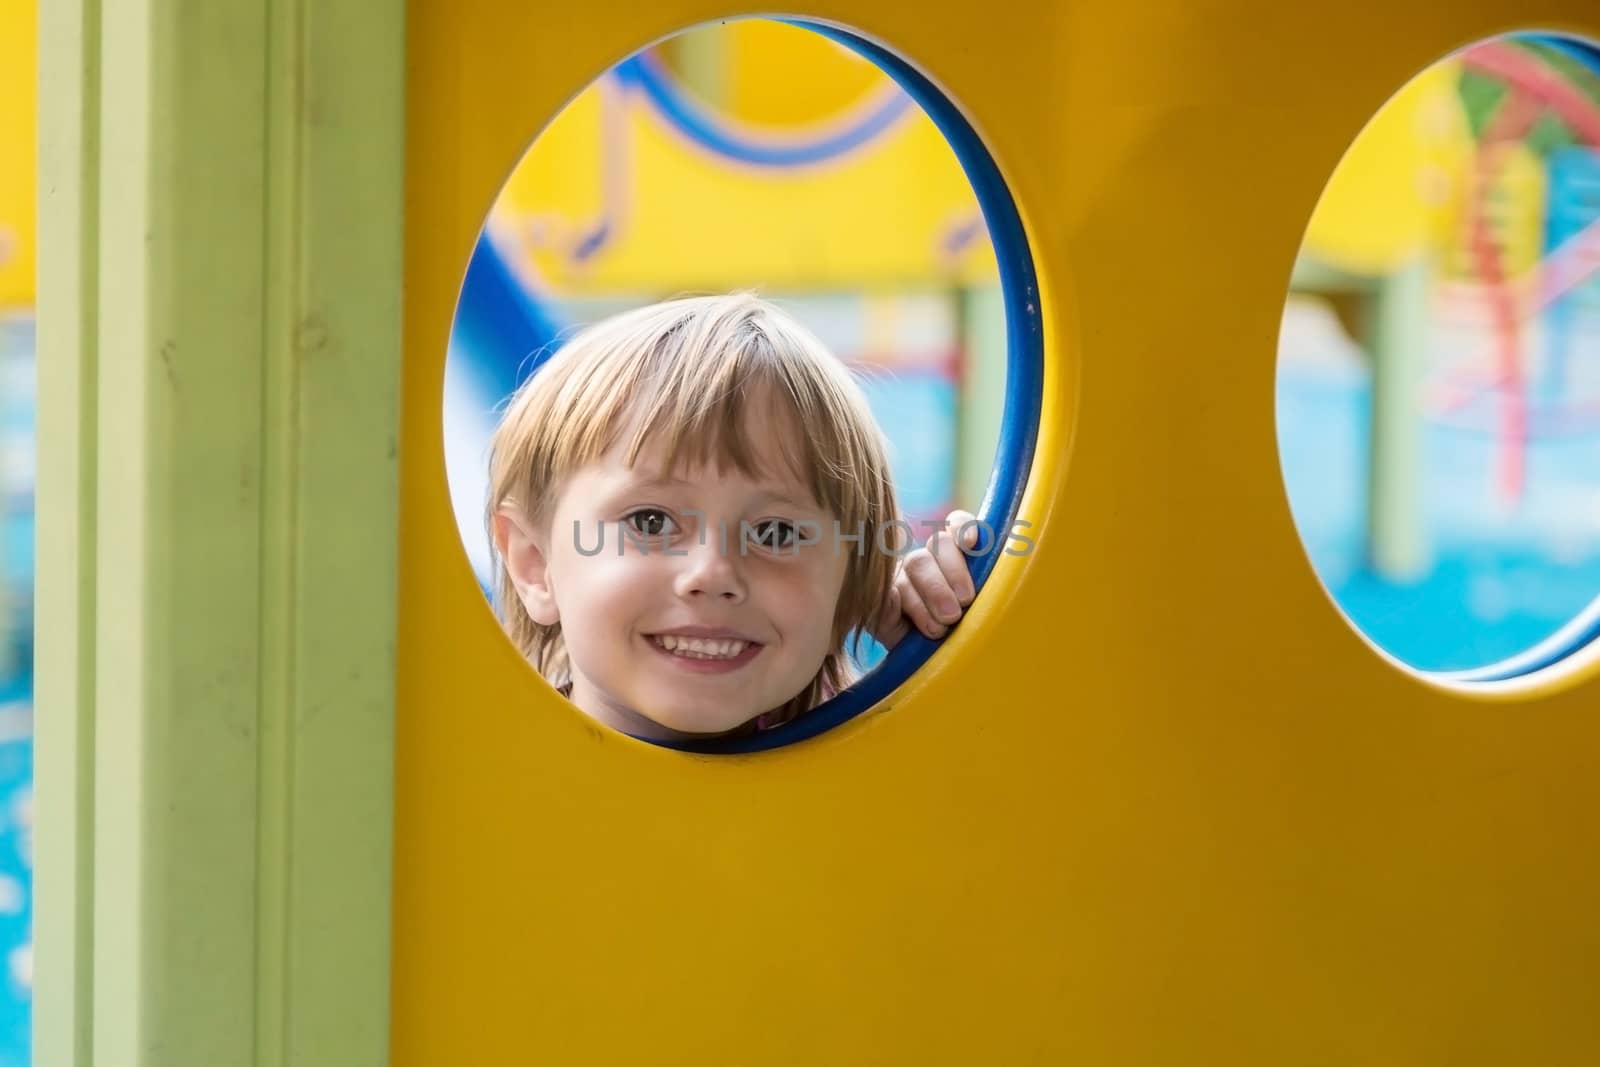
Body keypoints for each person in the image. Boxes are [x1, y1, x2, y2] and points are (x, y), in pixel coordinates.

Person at [488, 293, 981, 743]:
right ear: (535, 565)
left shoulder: (875, 778)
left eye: (775, 532)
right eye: (651, 522)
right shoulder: (477, 779)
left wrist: (940, 672)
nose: (712, 573)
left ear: (850, 587)